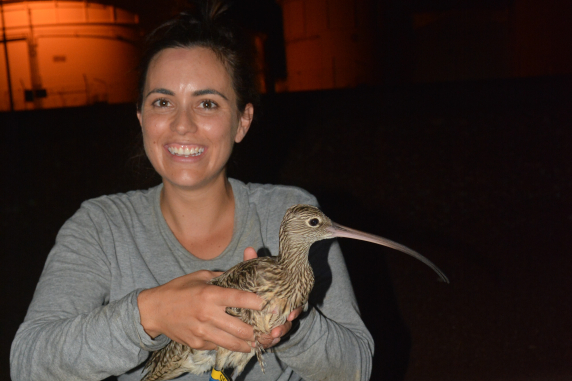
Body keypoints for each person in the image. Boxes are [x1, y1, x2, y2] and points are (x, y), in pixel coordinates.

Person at [10, 2, 373, 380]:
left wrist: (290, 319)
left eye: (207, 103)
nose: (182, 125)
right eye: (163, 102)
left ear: (242, 121)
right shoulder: (100, 227)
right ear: (141, 118)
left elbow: (356, 368)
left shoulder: (289, 211)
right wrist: (150, 313)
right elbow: (28, 365)